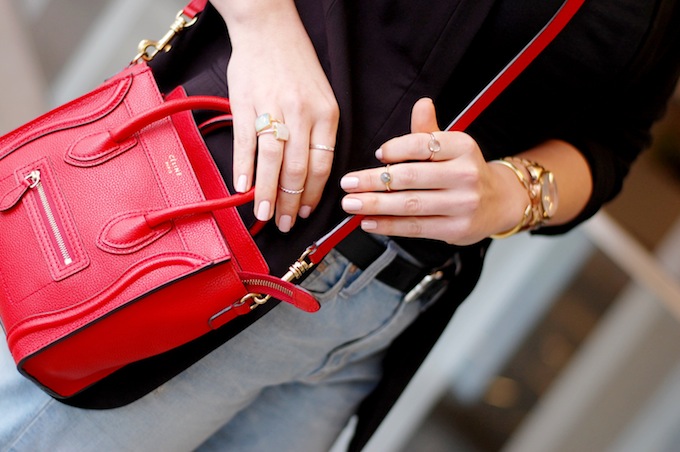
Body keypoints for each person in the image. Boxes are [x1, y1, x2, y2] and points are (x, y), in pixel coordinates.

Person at [1, 0, 679, 450]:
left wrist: (515, 192)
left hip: (374, 327)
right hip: (217, 227)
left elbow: (614, 139)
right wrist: (265, 26)